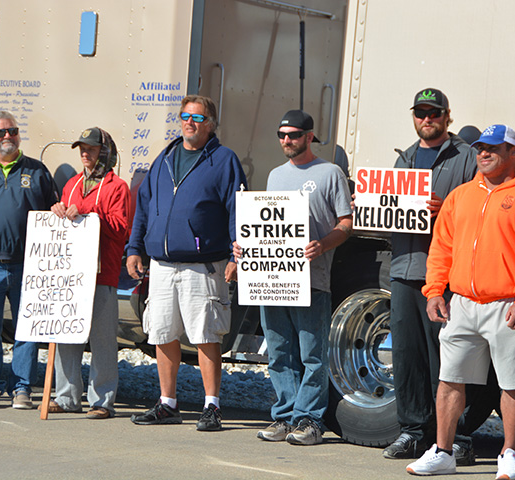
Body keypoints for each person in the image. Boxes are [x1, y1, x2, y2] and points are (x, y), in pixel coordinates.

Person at [407, 125, 515, 479]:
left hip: (509, 304)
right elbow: (442, 248)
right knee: (450, 379)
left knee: (513, 381)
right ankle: (443, 451)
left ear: (512, 152)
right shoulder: (461, 197)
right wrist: (434, 290)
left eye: (493, 148)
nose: (483, 153)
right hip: (461, 303)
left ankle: (509, 454)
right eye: (479, 148)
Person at [126, 95, 247, 431]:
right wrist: (135, 248)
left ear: (211, 124)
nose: (189, 122)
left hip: (203, 266)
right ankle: (167, 403)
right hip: (163, 266)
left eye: (197, 117)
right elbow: (144, 209)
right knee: (162, 333)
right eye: (184, 116)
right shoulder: (164, 158)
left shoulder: (224, 160)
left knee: (207, 334)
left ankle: (212, 406)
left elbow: (238, 209)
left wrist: (239, 254)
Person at [234, 109, 353, 445]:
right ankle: (285, 416)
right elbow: (265, 226)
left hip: (312, 280)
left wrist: (322, 244)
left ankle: (310, 420)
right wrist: (247, 247)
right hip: (272, 280)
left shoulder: (330, 173)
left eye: (295, 135)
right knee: (279, 352)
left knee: (313, 354)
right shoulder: (274, 176)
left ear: (310, 136)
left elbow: (346, 223)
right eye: (282, 135)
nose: (288, 141)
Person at [383, 88, 479, 463]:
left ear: (447, 116)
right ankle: (412, 431)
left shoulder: (467, 157)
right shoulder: (404, 158)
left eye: (434, 113)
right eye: (421, 113)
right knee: (407, 357)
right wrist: (371, 207)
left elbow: (479, 210)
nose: (427, 119)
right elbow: (390, 211)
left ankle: (456, 437)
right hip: (404, 271)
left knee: (451, 359)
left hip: (448, 276)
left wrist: (446, 210)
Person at [0, 111, 58, 409]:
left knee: (26, 331)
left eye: (12, 132)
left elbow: (52, 208)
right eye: (1, 133)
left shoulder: (37, 171)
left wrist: (60, 210)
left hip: (26, 266)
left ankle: (21, 390)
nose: (8, 137)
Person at [46, 127, 130, 419]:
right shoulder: (70, 185)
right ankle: (67, 396)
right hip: (71, 277)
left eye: (91, 149)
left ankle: (102, 401)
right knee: (67, 336)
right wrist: (57, 210)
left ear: (104, 152)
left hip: (102, 274)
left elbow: (121, 229)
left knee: (102, 340)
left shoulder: (116, 187)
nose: (85, 154)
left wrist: (88, 216)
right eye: (82, 149)